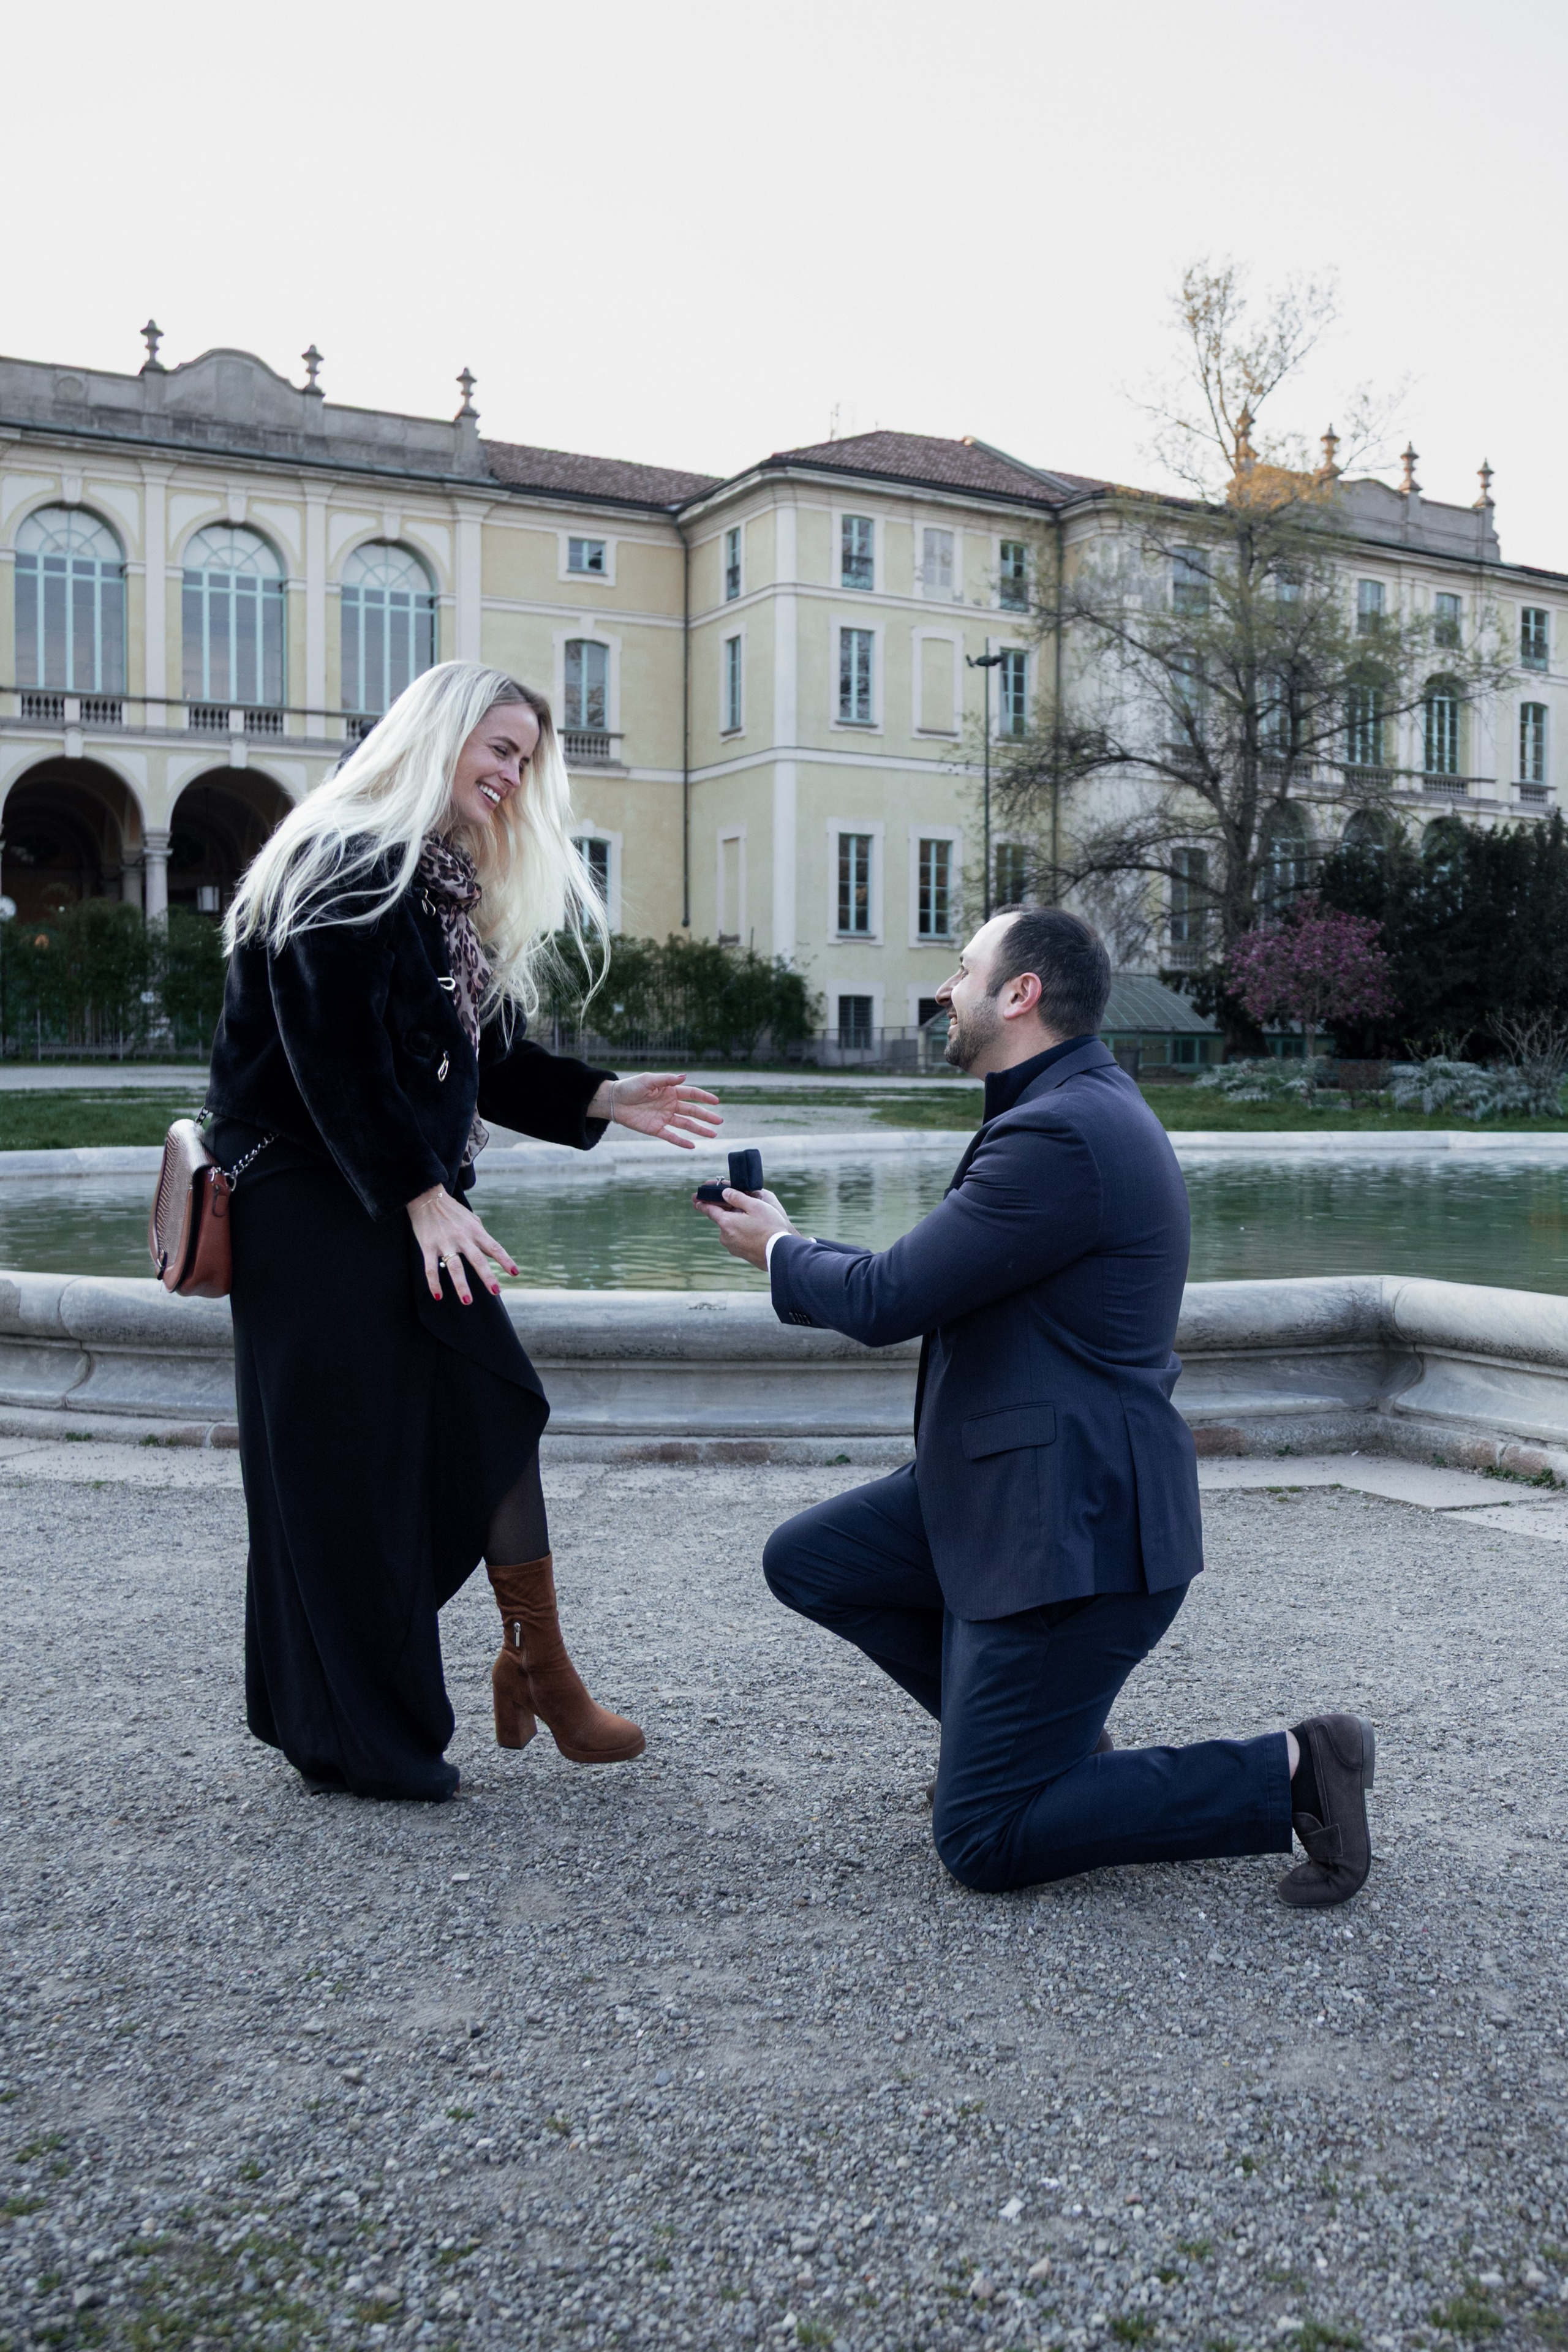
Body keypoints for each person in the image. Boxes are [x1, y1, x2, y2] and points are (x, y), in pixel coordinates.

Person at [696, 907, 1373, 1909]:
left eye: (961, 970)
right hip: (1005, 1490)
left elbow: (888, 1298)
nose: (943, 990)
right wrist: (793, 1247)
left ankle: (1296, 1771)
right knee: (814, 1560)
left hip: (1070, 1532)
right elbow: (915, 1279)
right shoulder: (1063, 1107)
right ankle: (1039, 1741)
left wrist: (781, 1250)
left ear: (1021, 995)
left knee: (983, 1838)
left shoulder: (1063, 1132)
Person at [205, 661, 721, 1801]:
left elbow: (486, 1061)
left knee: (492, 1401)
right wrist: (421, 1193)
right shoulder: (342, 859)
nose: (512, 773)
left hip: (393, 1200)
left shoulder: (438, 884)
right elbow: (327, 1052)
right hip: (313, 1203)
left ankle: (538, 1662)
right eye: (499, 748)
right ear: (436, 738)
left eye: (525, 758)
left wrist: (605, 1097)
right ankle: (359, 1736)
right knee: (339, 1473)